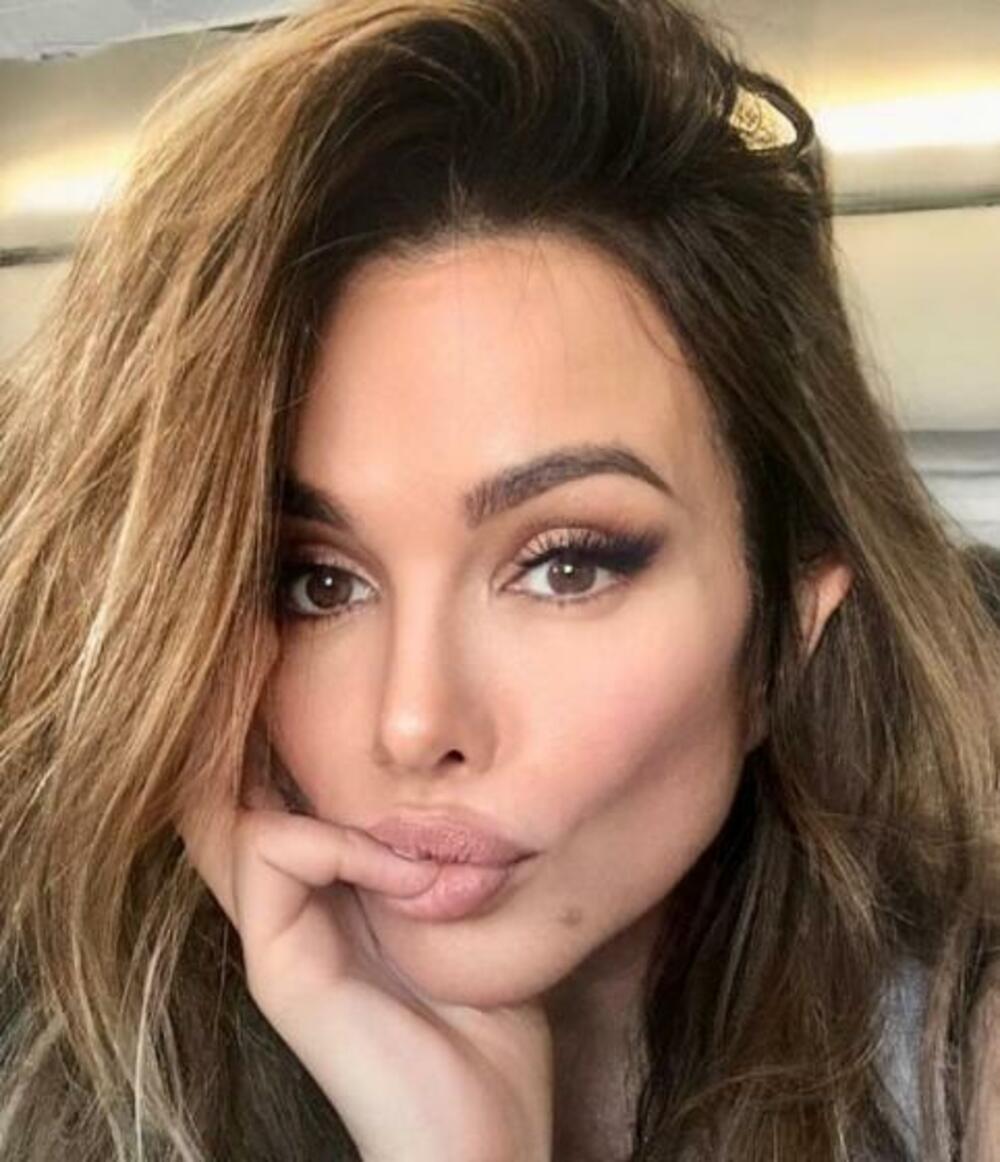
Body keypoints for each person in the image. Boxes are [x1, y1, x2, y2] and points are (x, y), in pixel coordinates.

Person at [0, 1, 997, 1159]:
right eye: (313, 582)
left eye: (564, 565)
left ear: (783, 632)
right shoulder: (64, 1070)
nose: (414, 723)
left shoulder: (957, 1073)